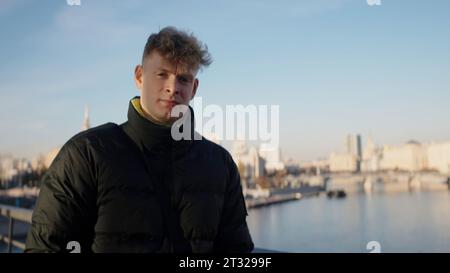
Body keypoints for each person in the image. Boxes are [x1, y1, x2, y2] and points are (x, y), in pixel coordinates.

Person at [25, 26, 254, 253]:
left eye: (183, 79)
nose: (172, 88)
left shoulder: (220, 165)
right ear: (139, 76)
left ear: (193, 88)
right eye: (162, 74)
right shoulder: (86, 155)